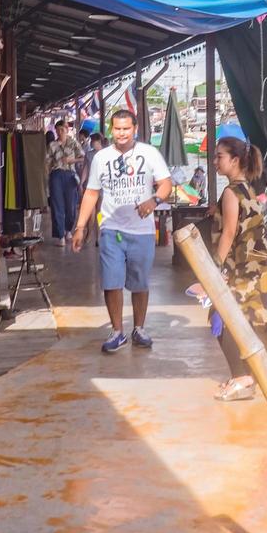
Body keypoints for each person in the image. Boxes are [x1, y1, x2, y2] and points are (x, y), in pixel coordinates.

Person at [72, 109, 172, 352]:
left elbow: (166, 183)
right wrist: (81, 226)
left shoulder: (149, 153)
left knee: (139, 283)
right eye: (117, 128)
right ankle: (117, 331)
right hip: (111, 228)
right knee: (111, 281)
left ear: (135, 128)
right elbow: (92, 192)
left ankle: (139, 328)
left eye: (126, 128)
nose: (122, 133)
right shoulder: (101, 157)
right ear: (111, 130)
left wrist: (154, 201)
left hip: (143, 231)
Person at [204, 137, 267, 401]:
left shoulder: (231, 193)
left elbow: (229, 233)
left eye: (219, 156)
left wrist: (214, 269)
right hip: (254, 267)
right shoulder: (247, 189)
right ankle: (242, 377)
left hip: (238, 270)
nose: (215, 161)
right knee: (241, 322)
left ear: (234, 160)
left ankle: (242, 378)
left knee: (224, 320)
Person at [46, 119, 85, 247]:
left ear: (67, 130)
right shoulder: (52, 145)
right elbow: (46, 162)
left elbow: (83, 157)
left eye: (62, 130)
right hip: (56, 175)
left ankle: (68, 229)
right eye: (58, 130)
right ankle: (60, 235)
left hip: (70, 175)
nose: (60, 132)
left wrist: (71, 160)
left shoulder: (74, 143)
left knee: (71, 206)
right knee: (57, 205)